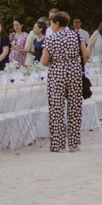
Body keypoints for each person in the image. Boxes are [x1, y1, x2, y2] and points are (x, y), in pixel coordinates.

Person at [40, 11, 86, 152]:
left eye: (52, 24)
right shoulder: (76, 35)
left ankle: (57, 143)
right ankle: (74, 143)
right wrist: (77, 65)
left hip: (57, 72)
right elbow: (85, 54)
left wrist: (54, 62)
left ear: (57, 23)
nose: (51, 27)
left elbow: (44, 61)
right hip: (74, 71)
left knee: (56, 108)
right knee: (75, 107)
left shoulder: (51, 38)